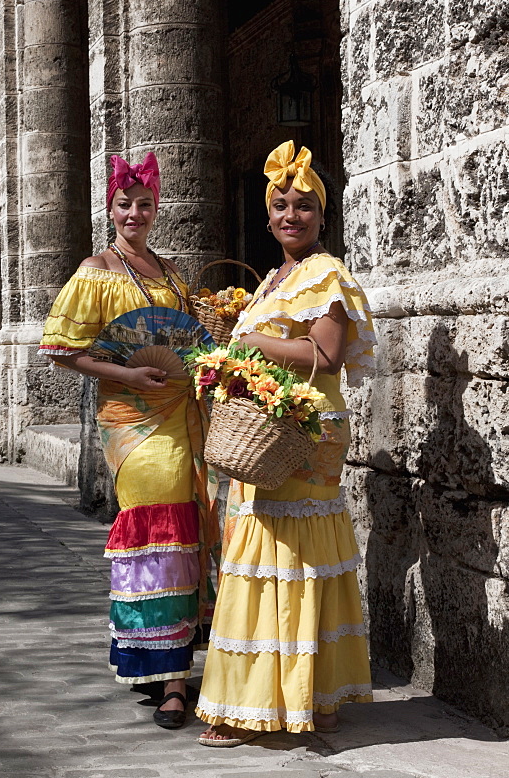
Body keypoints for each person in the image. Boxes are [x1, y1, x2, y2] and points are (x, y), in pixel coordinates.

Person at [195, 141, 376, 747]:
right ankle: (298, 699)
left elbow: (323, 357)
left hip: (303, 428)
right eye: (280, 205)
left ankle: (290, 700)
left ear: (323, 218)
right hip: (268, 426)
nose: (290, 215)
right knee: (272, 555)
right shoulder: (276, 278)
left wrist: (250, 344)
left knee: (291, 557)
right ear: (268, 215)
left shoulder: (327, 276)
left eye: (303, 206)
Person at [39, 152, 219, 730]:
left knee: (191, 531)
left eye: (145, 204)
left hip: (186, 414)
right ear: (110, 208)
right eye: (125, 204)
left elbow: (192, 342)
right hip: (133, 424)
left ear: (157, 208)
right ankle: (164, 672)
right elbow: (64, 352)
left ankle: (172, 673)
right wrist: (127, 376)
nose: (135, 213)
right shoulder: (96, 270)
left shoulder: (169, 274)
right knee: (159, 534)